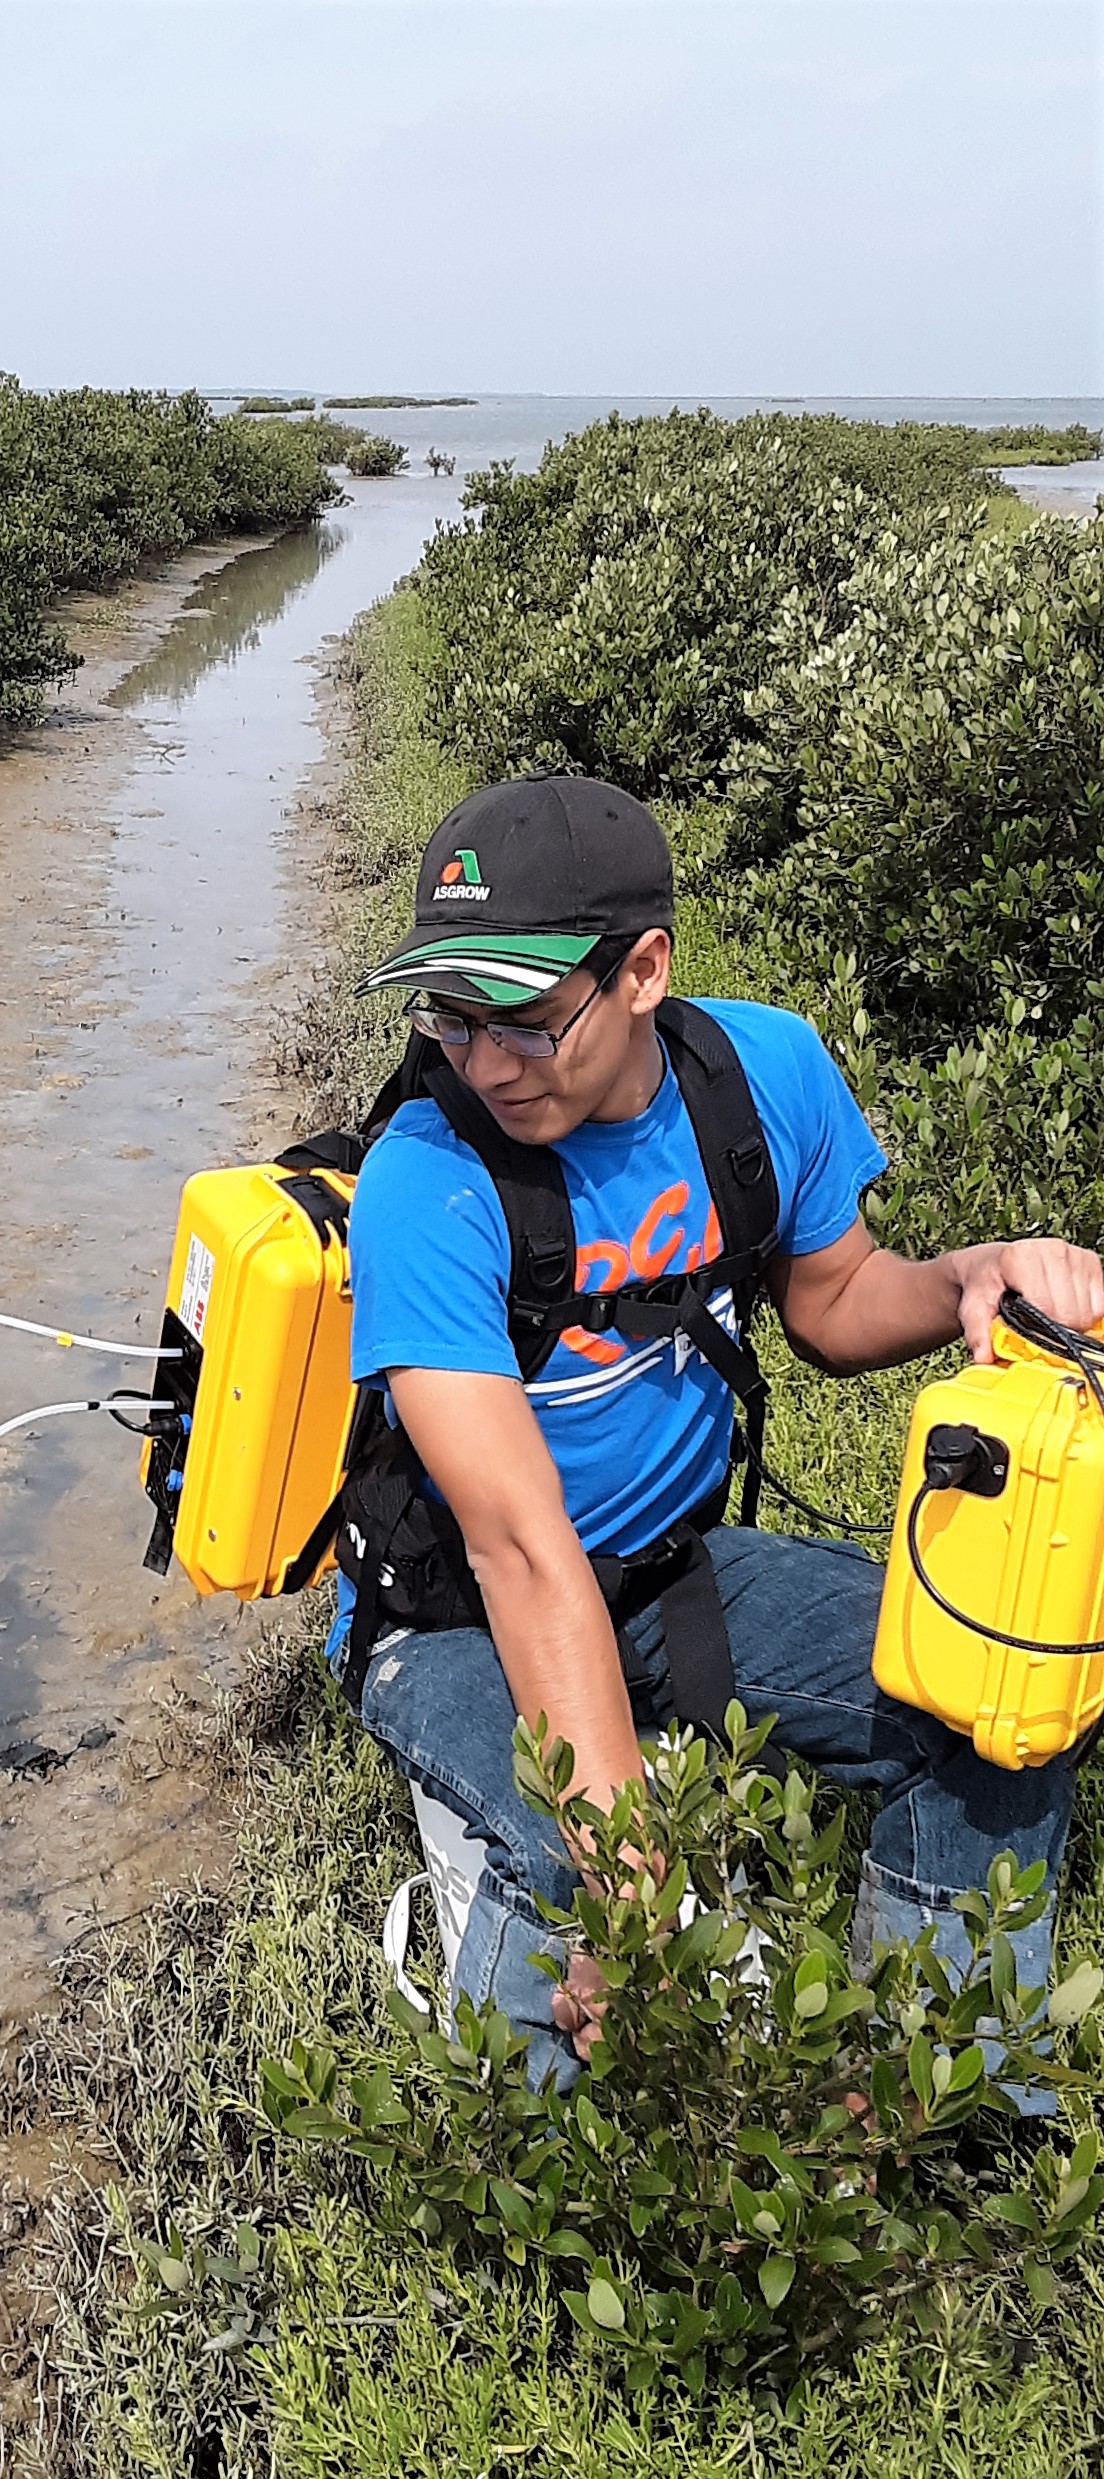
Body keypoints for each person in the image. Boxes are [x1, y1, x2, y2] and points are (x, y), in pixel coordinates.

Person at [335, 775, 1103, 2094]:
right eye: (449, 1020)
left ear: (642, 970)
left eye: (521, 1019)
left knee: (986, 1712)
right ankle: (528, 2216)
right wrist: (631, 1882)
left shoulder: (760, 1077)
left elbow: (836, 1301)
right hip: (453, 1607)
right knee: (564, 1858)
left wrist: (970, 1273)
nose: (484, 1064)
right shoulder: (427, 1178)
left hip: (668, 1568)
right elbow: (520, 1552)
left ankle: (929, 2101)